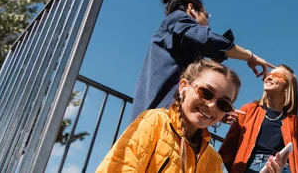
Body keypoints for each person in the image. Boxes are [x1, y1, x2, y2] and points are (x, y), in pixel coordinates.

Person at [131, 0, 274, 119]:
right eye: (206, 17)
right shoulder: (178, 19)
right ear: (191, 9)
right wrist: (250, 56)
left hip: (160, 119)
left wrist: (218, 110)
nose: (207, 25)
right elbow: (204, 39)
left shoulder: (180, 45)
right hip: (160, 120)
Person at [97, 60, 241, 172]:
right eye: (206, 93)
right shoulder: (154, 122)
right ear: (183, 87)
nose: (211, 106)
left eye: (223, 104)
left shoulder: (214, 160)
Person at [219, 65, 298, 173]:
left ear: (287, 87)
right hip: (250, 166)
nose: (269, 77)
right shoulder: (248, 110)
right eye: (269, 74)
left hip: (282, 169)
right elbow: (228, 147)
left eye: (277, 75)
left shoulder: (297, 122)